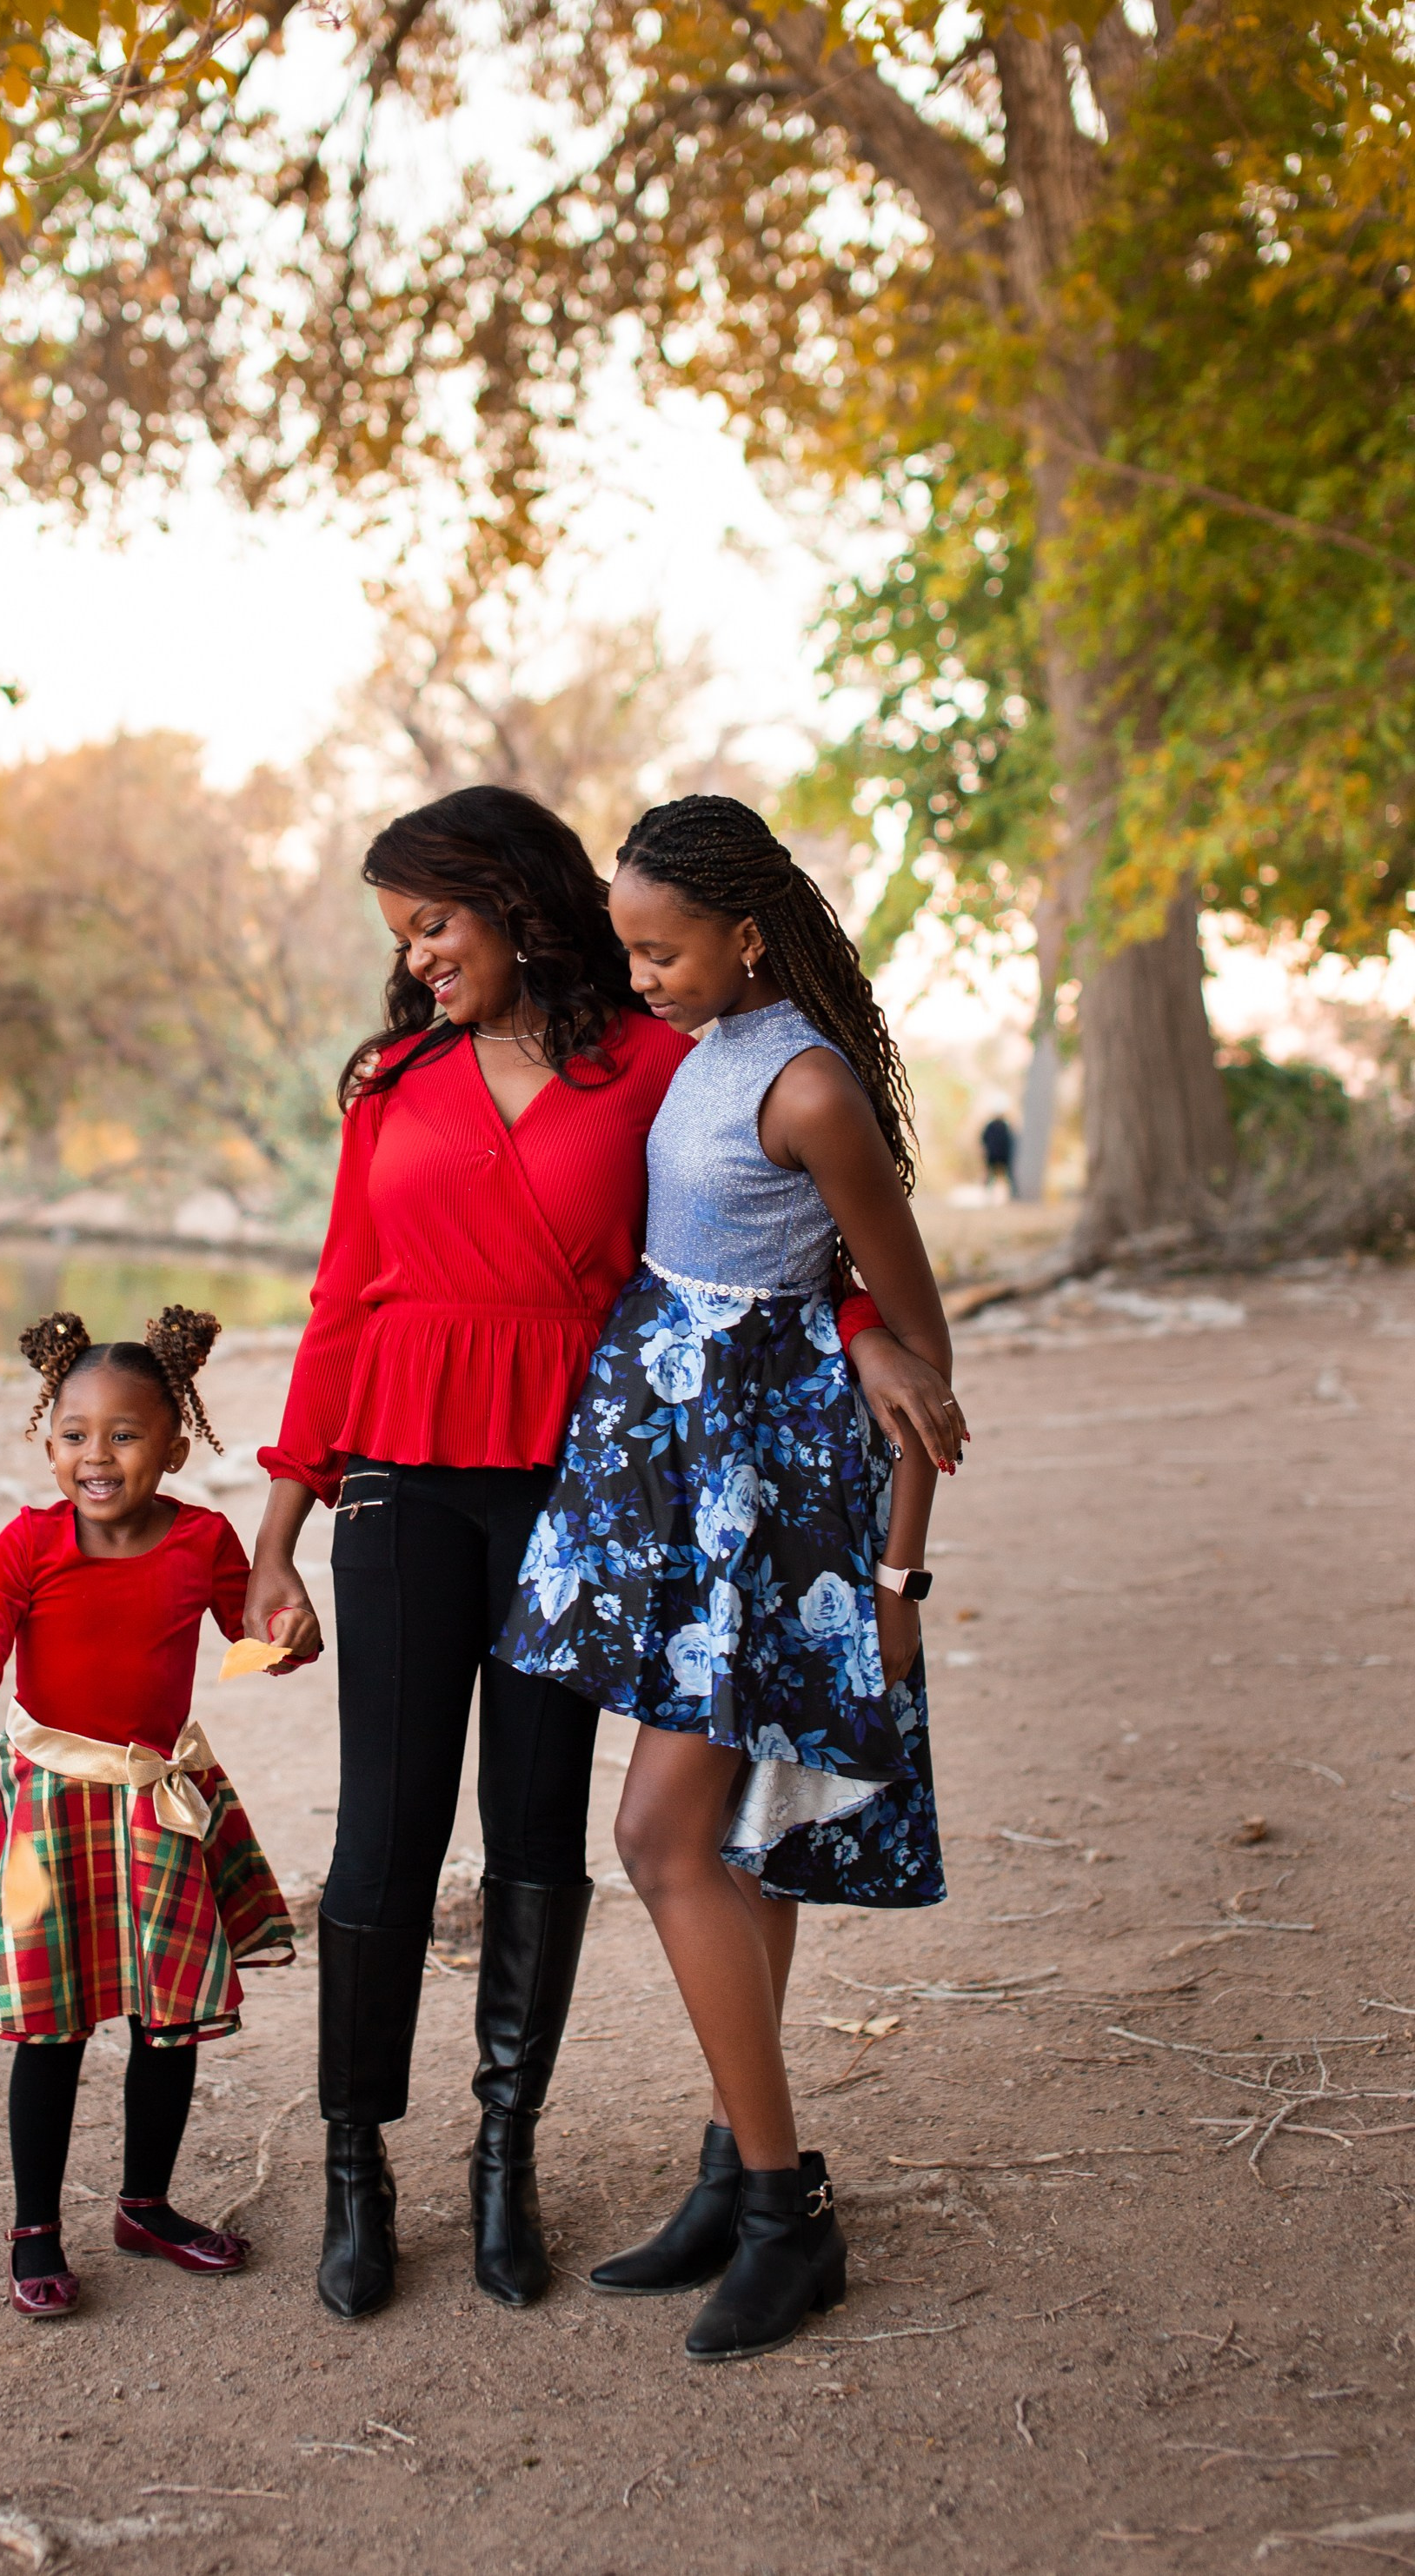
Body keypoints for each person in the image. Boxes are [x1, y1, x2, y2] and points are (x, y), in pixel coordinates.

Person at [245, 782, 960, 2325]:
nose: (421, 955)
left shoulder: (656, 1061)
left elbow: (769, 1236)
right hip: (409, 1482)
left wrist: (861, 1337)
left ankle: (509, 2167)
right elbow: (339, 1300)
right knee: (382, 1841)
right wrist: (279, 1526)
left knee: (541, 1838)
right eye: (404, 934)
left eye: (436, 920)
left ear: (513, 900)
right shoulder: (394, 1076)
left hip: (587, 1495)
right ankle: (361, 2171)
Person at [497, 795, 955, 2364]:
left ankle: (784, 2212)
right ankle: (731, 2163)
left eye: (663, 950)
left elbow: (923, 1348)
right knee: (741, 1848)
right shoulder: (704, 1046)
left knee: (661, 1832)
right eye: (630, 950)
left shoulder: (813, 1087)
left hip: (770, 1516)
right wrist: (846, 1321)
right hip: (683, 1489)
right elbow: (819, 1291)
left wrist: (899, 1578)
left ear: (746, 932)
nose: (643, 980)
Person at [0, 1306, 312, 2319]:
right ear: (48, 1442)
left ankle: (146, 2207)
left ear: (173, 1442)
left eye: (125, 1435)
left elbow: (248, 1637)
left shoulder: (202, 1540)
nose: (98, 1455)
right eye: (75, 1435)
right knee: (53, 2027)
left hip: (159, 1811)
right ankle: (35, 2227)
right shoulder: (28, 1547)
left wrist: (287, 1639)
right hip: (46, 1815)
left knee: (168, 2023)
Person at [980, 1112, 1017, 1195]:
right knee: (992, 1175)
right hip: (998, 1154)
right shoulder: (1001, 1128)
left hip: (999, 1155)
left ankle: (1014, 1193)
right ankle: (987, 1193)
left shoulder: (1002, 1127)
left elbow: (984, 1139)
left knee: (1006, 1175)